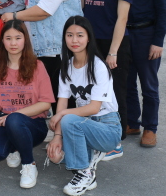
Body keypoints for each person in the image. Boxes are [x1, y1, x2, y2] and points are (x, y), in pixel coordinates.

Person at [2, 0, 83, 115]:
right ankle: (60, 127)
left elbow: (44, 10)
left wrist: (14, 16)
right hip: (48, 48)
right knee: (56, 93)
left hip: (56, 49)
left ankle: (65, 129)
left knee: (62, 95)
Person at [46, 16, 121, 196]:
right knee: (56, 156)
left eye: (80, 35)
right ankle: (90, 155)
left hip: (108, 128)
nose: (75, 40)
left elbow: (94, 108)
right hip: (84, 124)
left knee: (69, 119)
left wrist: (63, 114)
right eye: (69, 35)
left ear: (88, 38)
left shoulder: (99, 66)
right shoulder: (67, 67)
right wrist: (57, 137)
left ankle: (84, 172)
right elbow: (62, 102)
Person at [0, 20, 54, 189]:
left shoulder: (37, 66)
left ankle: (29, 164)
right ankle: (14, 148)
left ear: (25, 40)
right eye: (8, 38)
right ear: (2, 41)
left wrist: (13, 116)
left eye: (18, 38)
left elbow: (45, 103)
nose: (13, 43)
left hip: (33, 123)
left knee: (15, 120)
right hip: (5, 119)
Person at [80, 0, 133, 160]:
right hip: (91, 44)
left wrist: (113, 51)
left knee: (115, 92)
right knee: (92, 90)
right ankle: (96, 135)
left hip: (114, 44)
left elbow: (122, 19)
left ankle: (115, 141)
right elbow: (82, 14)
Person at [121, 0, 166, 148]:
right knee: (127, 82)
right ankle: (132, 122)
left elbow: (163, 10)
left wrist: (158, 42)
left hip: (146, 34)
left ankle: (150, 128)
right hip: (123, 34)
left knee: (149, 85)